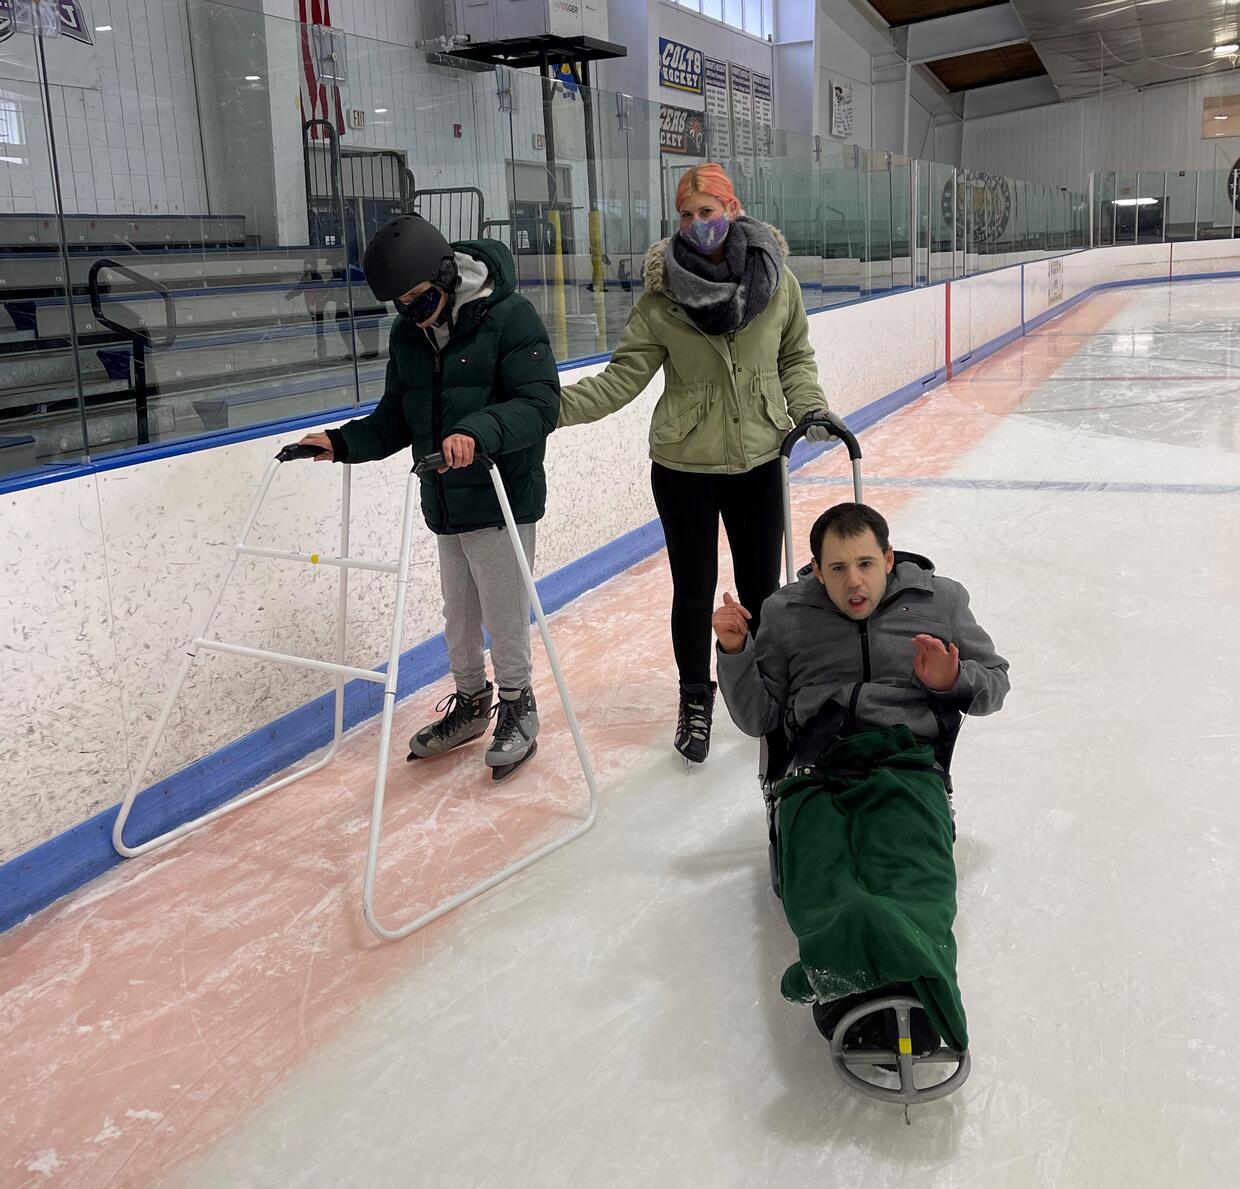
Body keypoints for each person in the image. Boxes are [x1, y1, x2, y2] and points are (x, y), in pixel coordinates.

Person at [712, 501, 1010, 1058]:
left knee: (909, 867)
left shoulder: (940, 601)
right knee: (825, 868)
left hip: (905, 761)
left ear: (889, 559)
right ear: (816, 569)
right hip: (815, 766)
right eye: (838, 568)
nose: (854, 582)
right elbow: (759, 718)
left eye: (867, 564)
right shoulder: (785, 613)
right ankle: (851, 968)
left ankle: (903, 971)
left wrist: (952, 680)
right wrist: (734, 652)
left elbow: (996, 683)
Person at [557, 163, 831, 765]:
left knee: (764, 587)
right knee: (693, 588)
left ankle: (767, 688)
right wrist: (546, 408)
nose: (697, 224)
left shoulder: (776, 281)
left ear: (732, 209)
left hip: (760, 457)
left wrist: (810, 411)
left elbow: (795, 359)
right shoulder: (663, 296)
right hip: (684, 466)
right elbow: (619, 381)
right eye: (686, 214)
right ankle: (695, 697)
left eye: (707, 211)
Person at [298, 214, 560, 781]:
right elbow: (396, 417)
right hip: (444, 497)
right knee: (459, 617)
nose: (412, 311)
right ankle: (471, 704)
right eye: (400, 304)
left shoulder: (509, 317)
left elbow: (541, 406)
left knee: (505, 613)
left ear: (447, 273)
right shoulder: (408, 335)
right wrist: (341, 443)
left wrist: (479, 432)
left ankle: (519, 703)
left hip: (499, 496)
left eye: (419, 298)